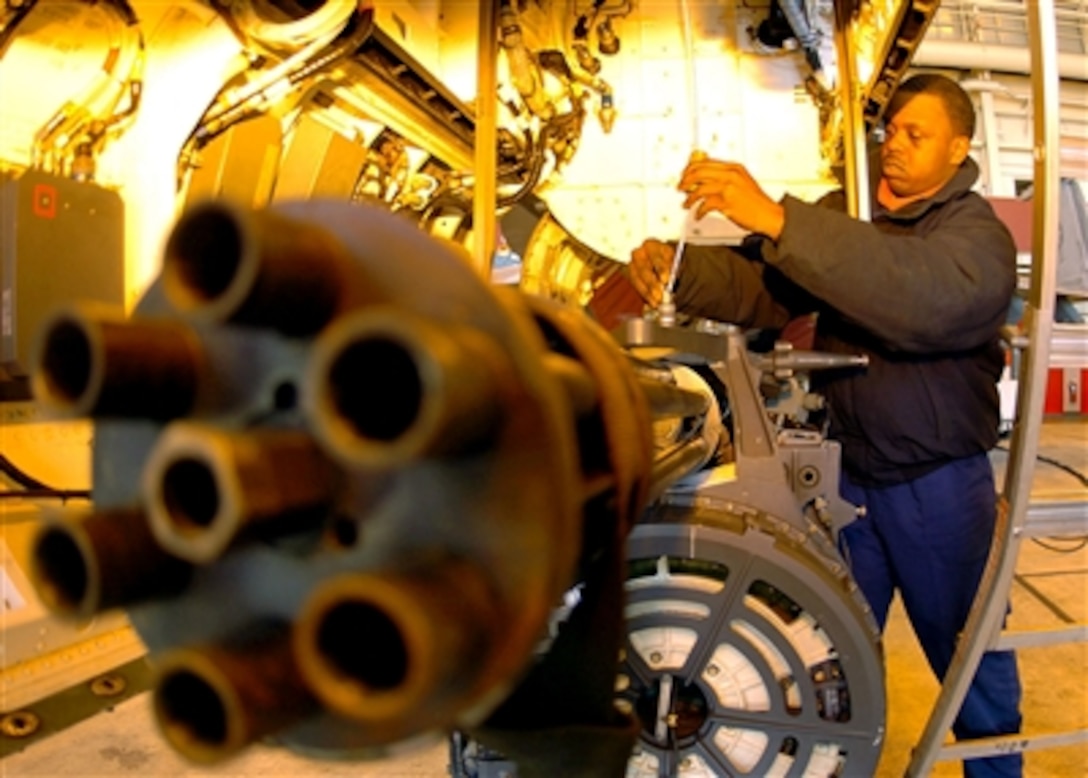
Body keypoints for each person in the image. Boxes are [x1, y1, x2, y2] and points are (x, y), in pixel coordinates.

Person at [628, 73, 1022, 778]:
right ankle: (827, 761)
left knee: (966, 649)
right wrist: (682, 270)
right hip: (850, 487)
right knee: (824, 647)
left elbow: (919, 296)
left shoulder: (974, 235)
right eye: (890, 131)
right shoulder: (853, 217)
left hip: (937, 490)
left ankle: (997, 767)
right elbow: (766, 286)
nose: (893, 145)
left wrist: (780, 217)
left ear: (959, 147)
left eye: (915, 134)